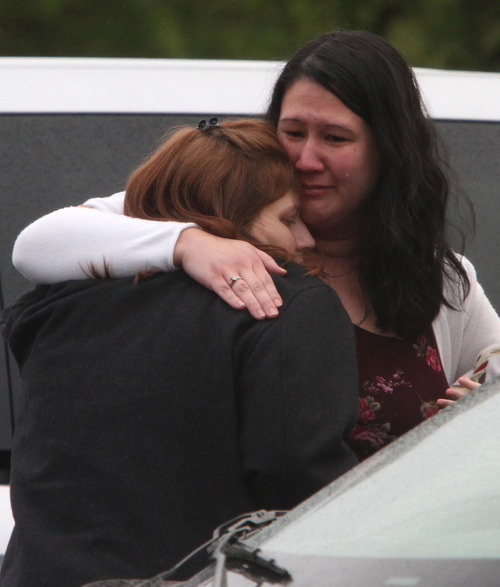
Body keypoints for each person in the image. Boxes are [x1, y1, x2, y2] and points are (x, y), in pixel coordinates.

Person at [12, 30, 500, 457]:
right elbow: (36, 245)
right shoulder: (215, 215)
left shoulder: (437, 278)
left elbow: (492, 366)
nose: (306, 158)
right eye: (292, 132)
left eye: (335, 138)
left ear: (390, 151)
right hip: (225, 555)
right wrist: (188, 243)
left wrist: (478, 408)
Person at [1, 119, 358, 587]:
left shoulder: (57, 304)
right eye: (289, 219)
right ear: (229, 214)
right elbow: (302, 484)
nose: (305, 240)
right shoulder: (284, 305)